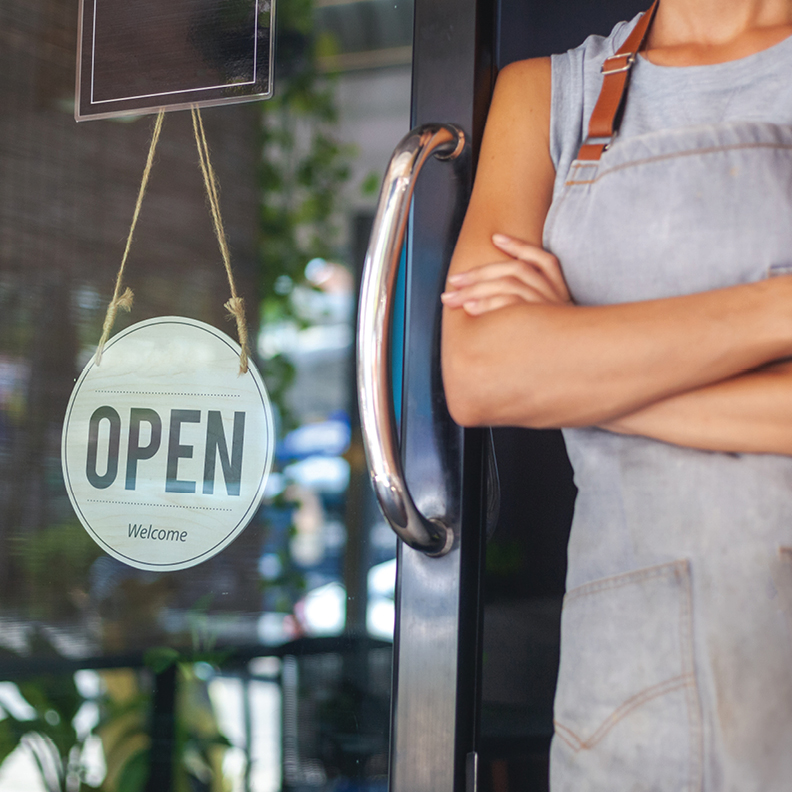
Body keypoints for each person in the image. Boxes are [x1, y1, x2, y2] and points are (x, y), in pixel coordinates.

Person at [441, 0, 792, 789]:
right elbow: (481, 373)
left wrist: (573, 374)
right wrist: (776, 312)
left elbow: (522, 377)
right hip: (628, 705)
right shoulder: (546, 96)